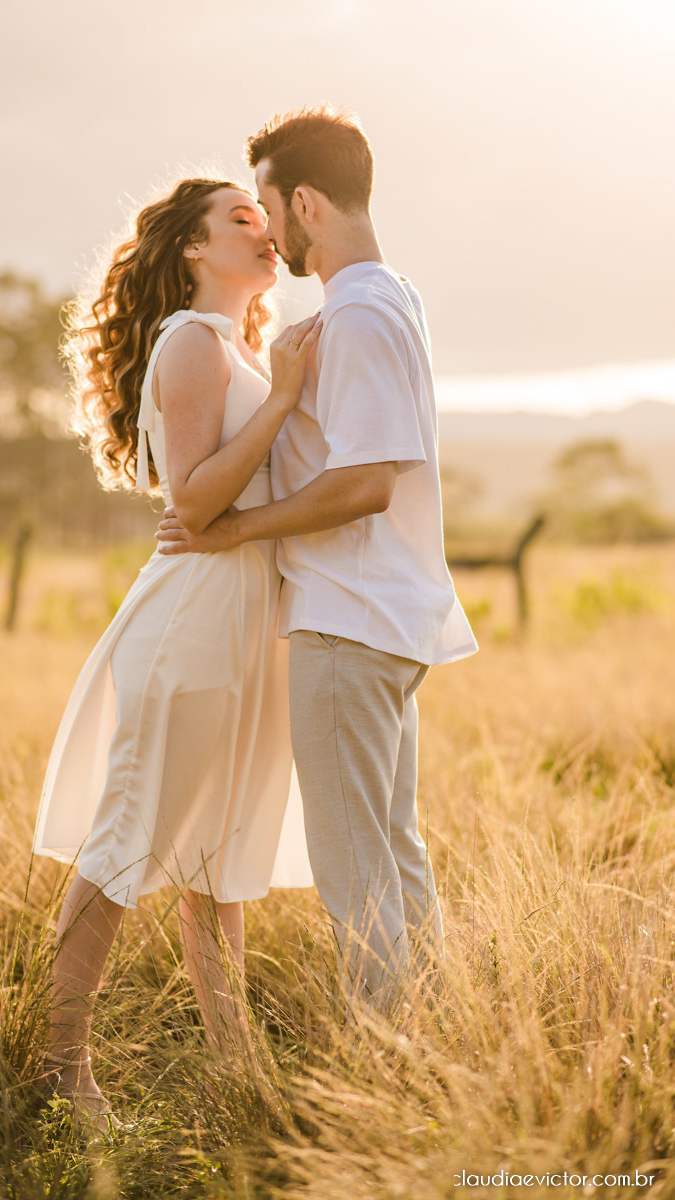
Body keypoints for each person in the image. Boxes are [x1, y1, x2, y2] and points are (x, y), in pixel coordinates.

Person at [156, 109, 478, 1007]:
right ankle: (430, 1037)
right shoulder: (389, 296)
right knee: (393, 851)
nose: (268, 229)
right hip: (387, 618)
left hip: (350, 623)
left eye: (267, 206)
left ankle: (382, 1067)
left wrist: (231, 532)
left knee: (354, 873)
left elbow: (366, 483)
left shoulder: (362, 315)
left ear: (304, 201)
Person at [32, 177, 318, 1131]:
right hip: (192, 621)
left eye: (264, 215)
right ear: (194, 249)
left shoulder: (233, 346)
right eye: (241, 219)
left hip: (241, 622)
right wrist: (281, 399)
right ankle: (59, 1071)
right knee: (126, 842)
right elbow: (190, 504)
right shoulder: (192, 343)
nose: (265, 230)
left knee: (216, 858)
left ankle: (239, 1074)